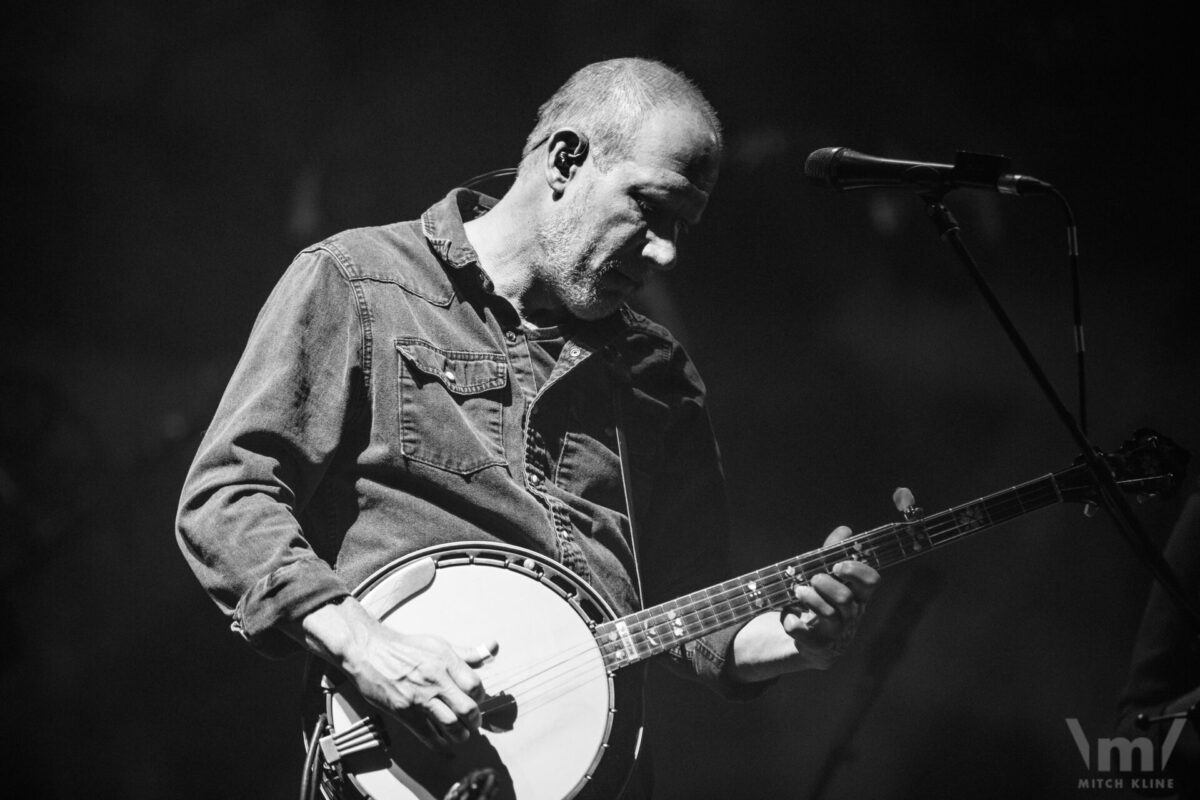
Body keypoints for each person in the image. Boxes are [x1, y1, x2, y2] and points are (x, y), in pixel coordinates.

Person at [176, 57, 879, 798]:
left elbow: (688, 608)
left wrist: (795, 642)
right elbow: (229, 495)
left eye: (684, 227)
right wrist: (365, 644)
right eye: (650, 207)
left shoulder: (657, 374)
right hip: (402, 770)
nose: (666, 250)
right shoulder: (362, 281)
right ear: (567, 158)